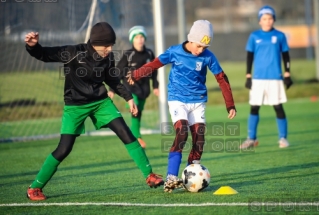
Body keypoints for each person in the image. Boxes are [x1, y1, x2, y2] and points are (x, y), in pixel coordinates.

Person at [24, 22, 164, 201]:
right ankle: (35, 187)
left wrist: (128, 98)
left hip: (100, 103)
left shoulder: (108, 57)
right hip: (75, 106)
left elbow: (113, 80)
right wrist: (33, 46)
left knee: (126, 133)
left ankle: (150, 175)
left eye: (111, 45)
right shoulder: (74, 52)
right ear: (95, 43)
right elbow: (44, 55)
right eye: (106, 45)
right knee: (64, 148)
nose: (109, 49)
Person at [127, 20, 237, 192]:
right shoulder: (175, 52)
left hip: (198, 101)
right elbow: (155, 64)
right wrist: (136, 74)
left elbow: (221, 77)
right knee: (182, 132)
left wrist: (230, 104)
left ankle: (190, 174)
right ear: (191, 39)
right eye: (199, 46)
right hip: (178, 99)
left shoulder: (208, 56)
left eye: (204, 47)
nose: (201, 50)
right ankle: (171, 176)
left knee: (199, 139)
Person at [240, 5, 293, 150]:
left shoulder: (280, 36)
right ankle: (251, 138)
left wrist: (287, 73)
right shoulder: (254, 36)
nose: (268, 21)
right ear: (259, 21)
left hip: (275, 77)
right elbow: (249, 57)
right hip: (258, 78)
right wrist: (248, 76)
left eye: (270, 18)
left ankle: (283, 138)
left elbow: (286, 56)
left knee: (278, 106)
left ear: (274, 19)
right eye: (264, 19)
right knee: (254, 107)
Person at [108, 25, 159, 149]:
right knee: (134, 104)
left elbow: (154, 71)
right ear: (132, 40)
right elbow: (118, 72)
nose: (140, 39)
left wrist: (155, 86)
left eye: (142, 36)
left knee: (138, 112)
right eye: (137, 37)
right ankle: (137, 137)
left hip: (144, 89)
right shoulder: (128, 54)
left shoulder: (149, 53)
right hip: (130, 88)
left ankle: (136, 135)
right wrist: (112, 89)